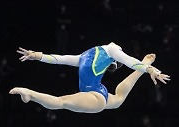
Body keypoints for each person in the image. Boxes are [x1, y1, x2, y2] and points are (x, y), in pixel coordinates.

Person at [9, 42, 170, 113]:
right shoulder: (85, 56)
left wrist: (150, 70)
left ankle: (29, 93)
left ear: (113, 61)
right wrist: (36, 55)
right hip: (98, 93)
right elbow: (60, 59)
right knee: (119, 99)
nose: (119, 48)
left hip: (95, 96)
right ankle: (143, 68)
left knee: (61, 102)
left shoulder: (111, 51)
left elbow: (129, 61)